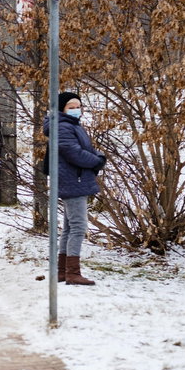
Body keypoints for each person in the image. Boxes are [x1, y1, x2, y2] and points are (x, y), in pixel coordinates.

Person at [44, 91, 105, 286]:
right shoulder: (63, 127)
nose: (76, 110)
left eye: (78, 106)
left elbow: (82, 149)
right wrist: (97, 161)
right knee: (78, 226)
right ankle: (72, 273)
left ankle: (63, 271)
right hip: (73, 180)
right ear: (61, 109)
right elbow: (74, 152)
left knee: (70, 227)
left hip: (74, 178)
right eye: (71, 107)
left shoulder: (70, 125)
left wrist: (96, 156)